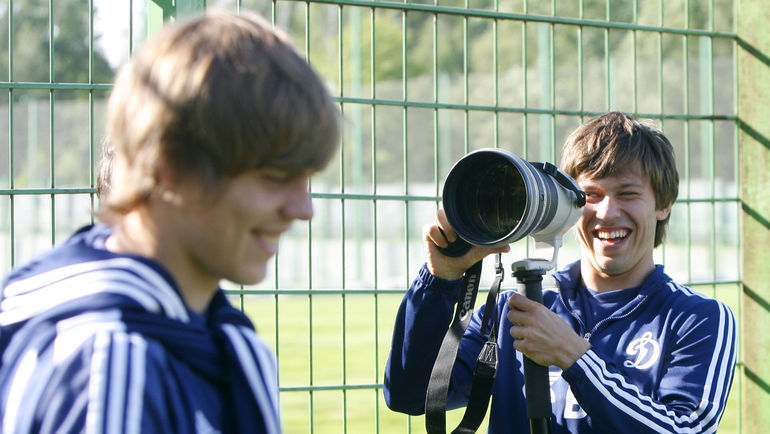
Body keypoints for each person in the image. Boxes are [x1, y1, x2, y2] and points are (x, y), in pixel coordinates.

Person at [0, 9, 340, 434]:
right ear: (167, 166)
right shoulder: (112, 363)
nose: (303, 209)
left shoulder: (228, 340)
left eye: (306, 181)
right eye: (273, 178)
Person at [384, 112, 737, 433]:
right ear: (570, 204)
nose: (608, 212)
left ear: (663, 204)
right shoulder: (516, 309)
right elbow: (409, 395)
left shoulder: (698, 318)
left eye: (627, 194)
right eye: (591, 195)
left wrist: (575, 356)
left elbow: (685, 429)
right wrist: (441, 280)